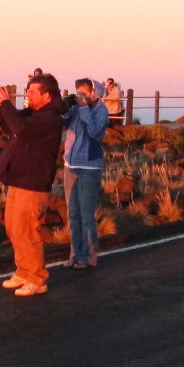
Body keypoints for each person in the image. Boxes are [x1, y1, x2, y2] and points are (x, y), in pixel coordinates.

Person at [0, 73, 66, 297]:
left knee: (26, 230)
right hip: (19, 179)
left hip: (33, 183)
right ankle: (23, 270)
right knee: (13, 229)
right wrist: (0, 106)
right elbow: (11, 126)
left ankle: (37, 278)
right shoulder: (34, 115)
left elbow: (22, 128)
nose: (27, 94)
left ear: (46, 96)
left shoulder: (50, 119)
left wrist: (7, 104)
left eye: (32, 91)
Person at [60, 78, 109, 269]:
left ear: (94, 93)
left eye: (84, 93)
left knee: (86, 214)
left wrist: (84, 109)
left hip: (90, 166)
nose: (80, 96)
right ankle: (75, 255)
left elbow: (95, 134)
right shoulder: (76, 108)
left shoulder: (101, 111)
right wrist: (65, 107)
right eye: (78, 92)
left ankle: (88, 257)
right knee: (73, 213)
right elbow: (63, 124)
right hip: (70, 165)